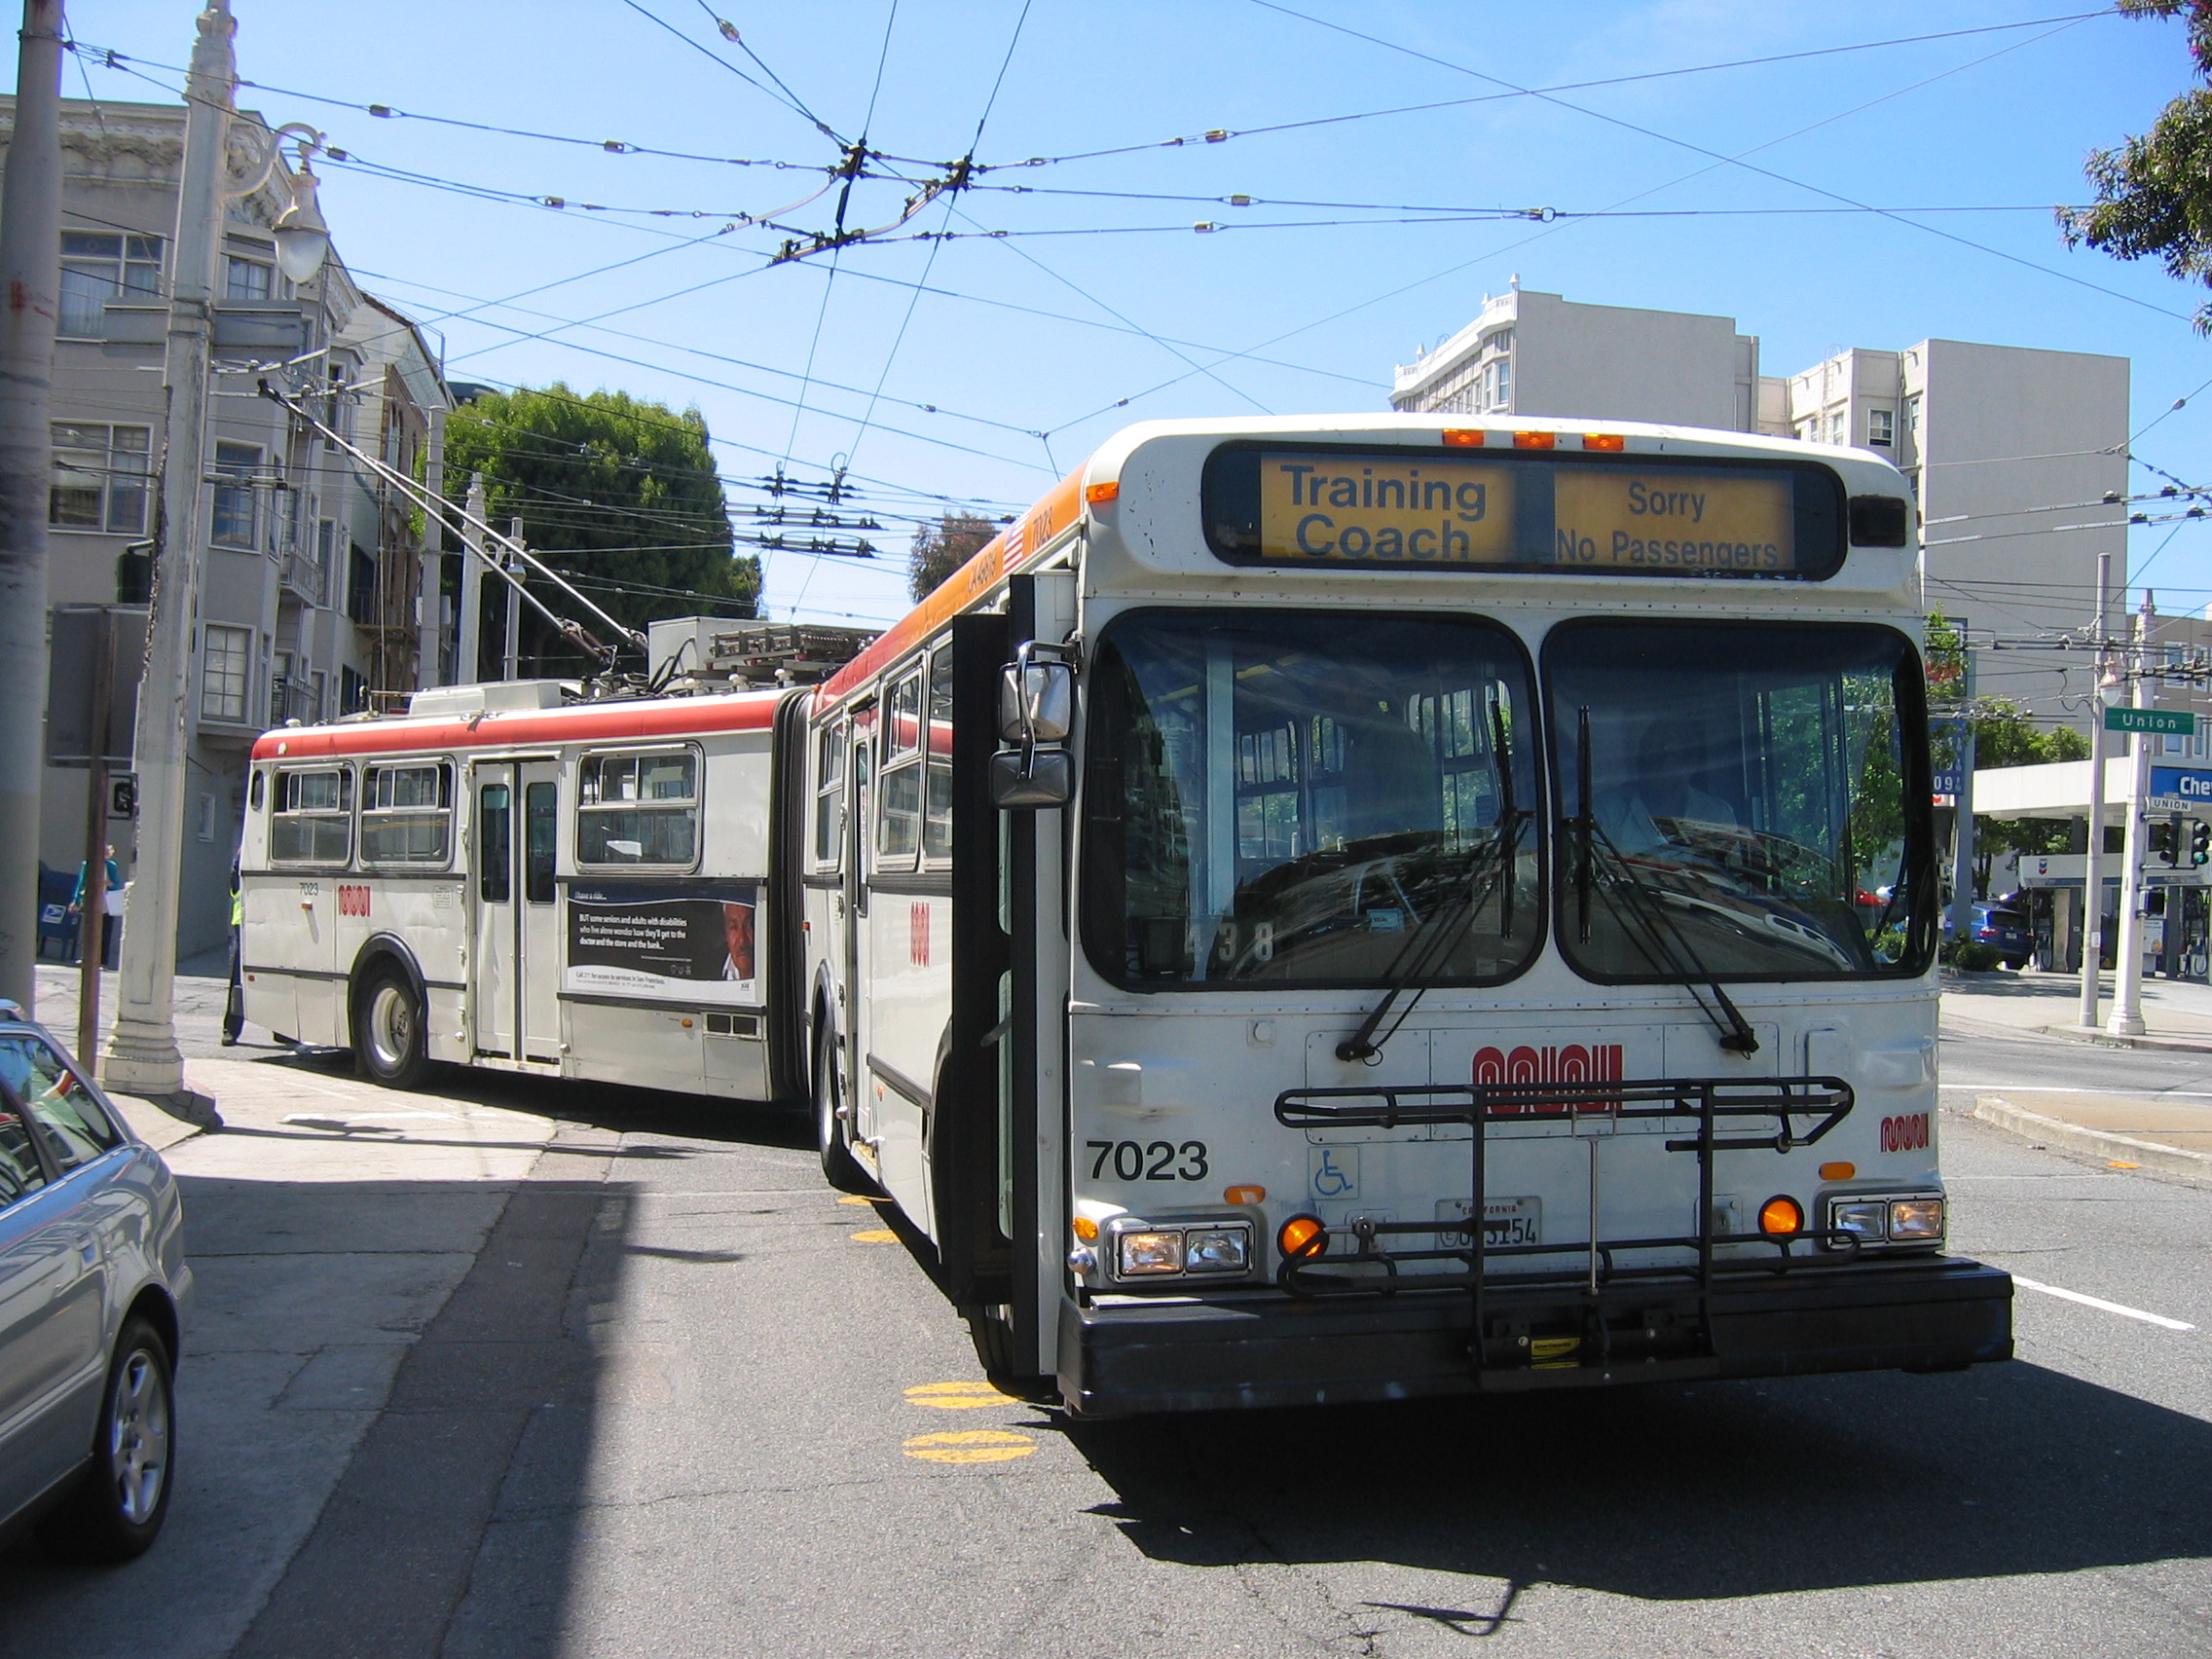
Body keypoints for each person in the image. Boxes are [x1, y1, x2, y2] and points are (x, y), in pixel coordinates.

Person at [67, 845, 123, 969]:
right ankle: (86, 957)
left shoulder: (111, 866)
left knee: (105, 931)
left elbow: (115, 884)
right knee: (88, 929)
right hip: (91, 899)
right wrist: (76, 900)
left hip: (106, 901)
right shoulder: (87, 865)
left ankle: (102, 961)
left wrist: (106, 883)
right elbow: (81, 883)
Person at [223, 852, 244, 1046]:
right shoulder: (243, 851)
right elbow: (234, 883)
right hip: (244, 920)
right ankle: (231, 1029)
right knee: (239, 977)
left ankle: (282, 1031)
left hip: (270, 918)